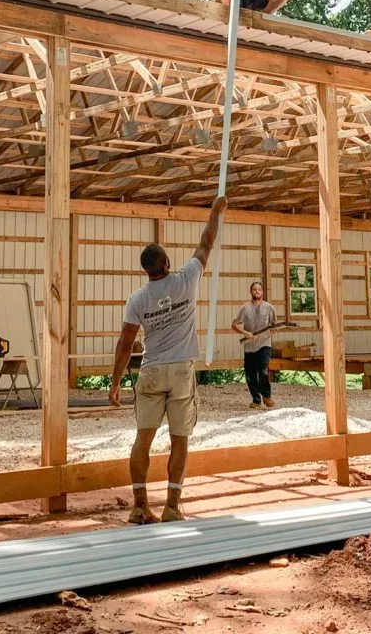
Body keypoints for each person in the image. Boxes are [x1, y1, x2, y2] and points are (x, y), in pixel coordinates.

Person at [109, 196, 227, 524]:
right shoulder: (186, 279)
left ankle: (139, 505)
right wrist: (215, 211)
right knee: (180, 439)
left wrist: (115, 381)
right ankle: (172, 506)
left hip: (151, 370)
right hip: (180, 371)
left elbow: (125, 344)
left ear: (145, 270)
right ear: (167, 262)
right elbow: (206, 243)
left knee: (142, 439)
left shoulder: (138, 299)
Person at [232, 281, 278, 409]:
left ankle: (267, 396)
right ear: (251, 292)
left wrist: (271, 331)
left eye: (259, 289)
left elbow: (274, 326)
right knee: (250, 374)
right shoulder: (245, 308)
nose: (257, 291)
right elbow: (234, 325)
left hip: (264, 344)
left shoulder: (269, 308)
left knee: (263, 371)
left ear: (262, 292)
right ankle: (256, 400)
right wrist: (246, 333)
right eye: (254, 289)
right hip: (249, 346)